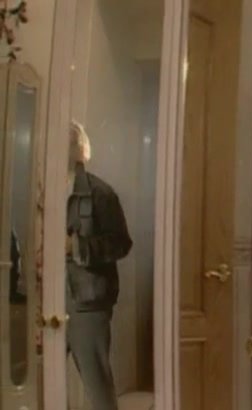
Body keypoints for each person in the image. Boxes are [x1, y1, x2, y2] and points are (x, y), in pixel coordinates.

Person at [66, 120, 132, 410]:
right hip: (46, 302)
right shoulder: (41, 190)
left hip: (87, 305)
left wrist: (75, 246)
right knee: (40, 381)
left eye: (68, 143)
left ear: (79, 149)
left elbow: (121, 243)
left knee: (98, 386)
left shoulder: (100, 193)